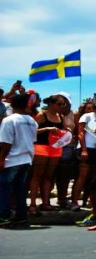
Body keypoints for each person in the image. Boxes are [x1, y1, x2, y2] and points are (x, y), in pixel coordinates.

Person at [0, 92, 39, 228]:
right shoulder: (31, 121)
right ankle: (21, 216)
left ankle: (3, 215)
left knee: (3, 188)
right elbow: (33, 139)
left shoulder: (9, 120)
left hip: (12, 159)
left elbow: (6, 143)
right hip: (27, 158)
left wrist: (1, 159)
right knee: (19, 190)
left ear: (12, 104)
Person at [28, 93, 71, 214]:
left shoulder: (60, 116)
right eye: (59, 104)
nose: (61, 106)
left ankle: (45, 203)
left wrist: (65, 131)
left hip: (55, 148)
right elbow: (31, 132)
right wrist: (47, 129)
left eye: (63, 104)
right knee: (37, 176)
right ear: (51, 104)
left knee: (48, 176)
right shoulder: (42, 115)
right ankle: (32, 204)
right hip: (41, 147)